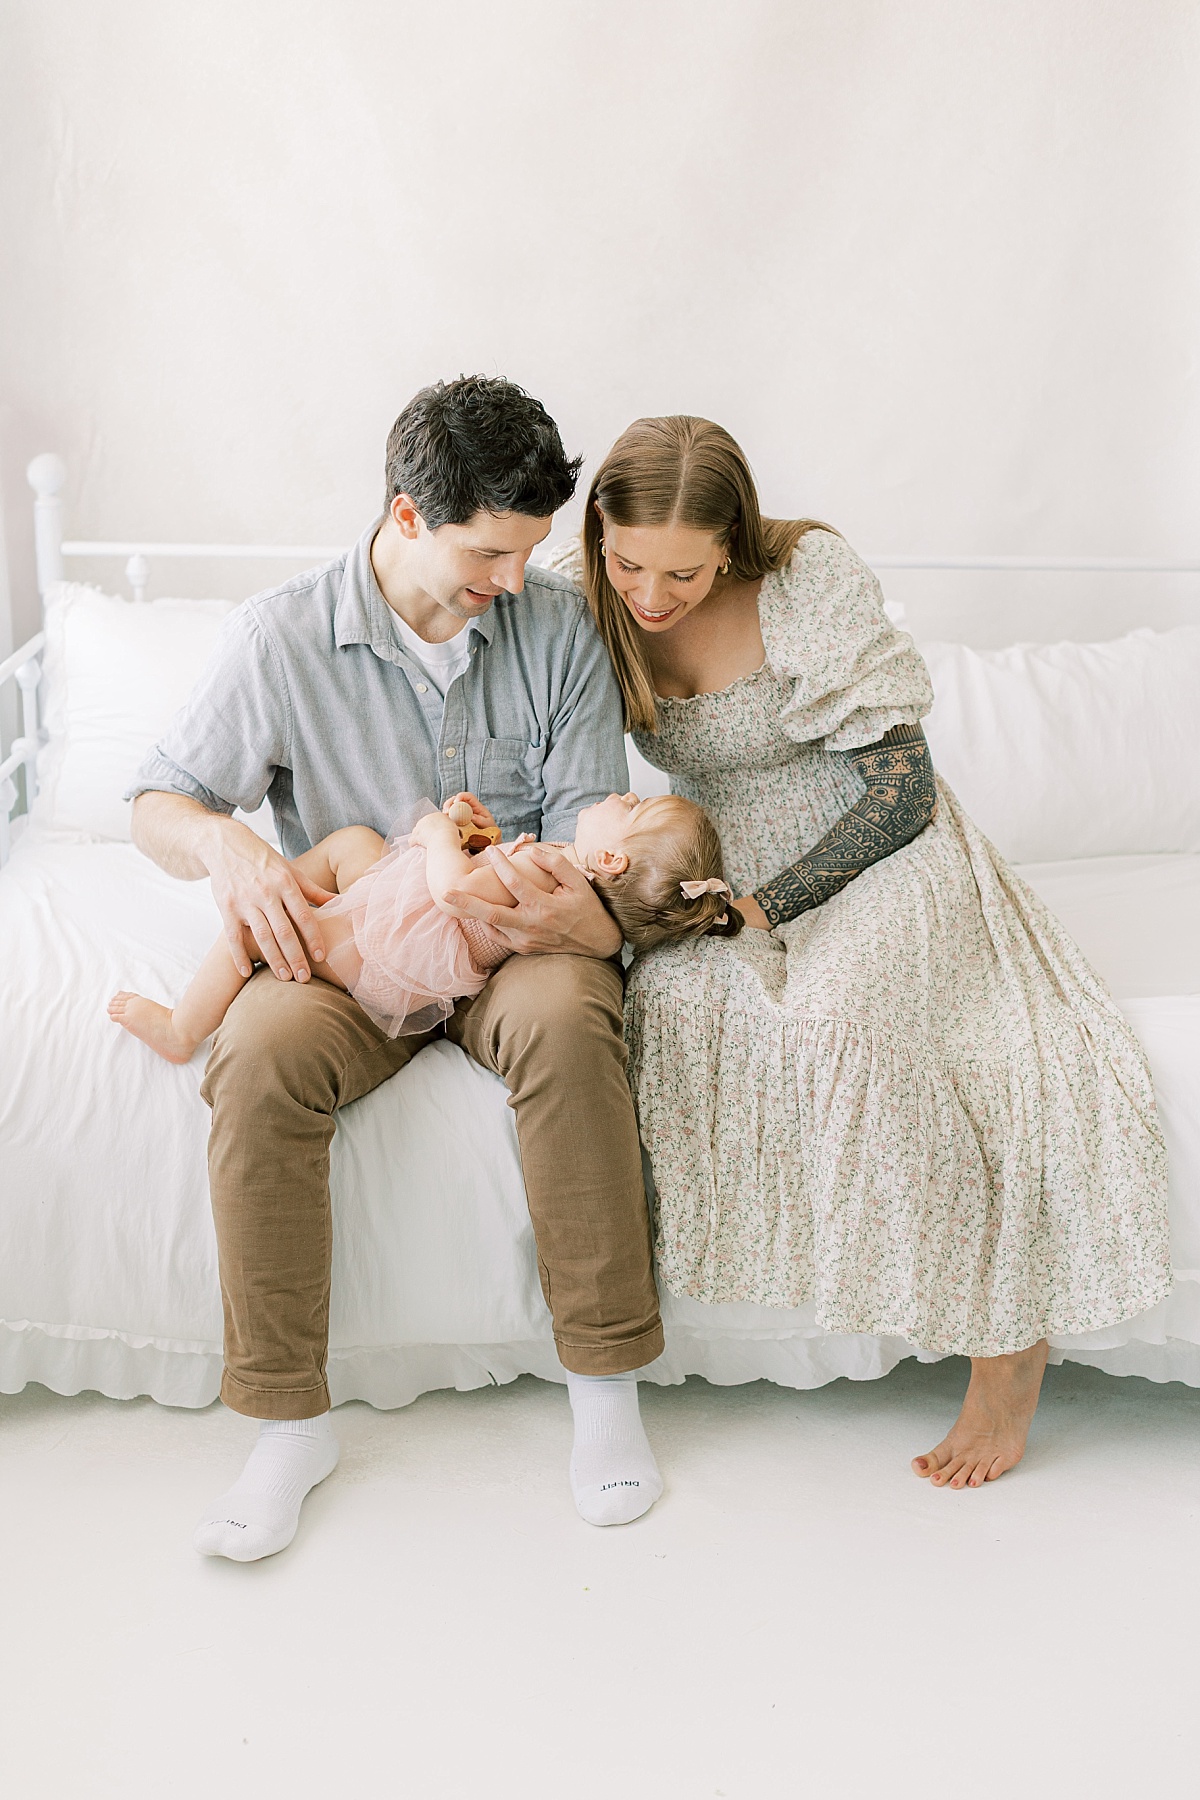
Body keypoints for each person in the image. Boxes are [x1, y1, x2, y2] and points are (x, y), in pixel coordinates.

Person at [517, 413, 1172, 1492]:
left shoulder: (807, 576)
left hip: (865, 846)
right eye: (629, 561)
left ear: (733, 541)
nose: (651, 594)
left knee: (845, 1026)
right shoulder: (580, 596)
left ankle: (1005, 1346)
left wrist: (770, 908)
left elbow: (904, 791)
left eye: (683, 571)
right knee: (678, 1015)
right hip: (716, 856)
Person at [127, 377, 671, 1561]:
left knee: (574, 1028)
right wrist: (224, 842)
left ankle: (605, 1389)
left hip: (509, 940)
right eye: (492, 553)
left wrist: (558, 895)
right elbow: (156, 803)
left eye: (529, 552)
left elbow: (589, 827)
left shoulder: (560, 629)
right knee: (258, 1057)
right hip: (360, 944)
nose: (515, 581)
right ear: (408, 515)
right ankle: (286, 1425)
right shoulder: (282, 638)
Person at [109, 787, 740, 1059]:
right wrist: (479, 836)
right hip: (411, 922)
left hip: (399, 947)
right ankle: (307, 900)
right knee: (352, 843)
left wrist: (440, 833)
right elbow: (485, 876)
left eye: (635, 805)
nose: (624, 795)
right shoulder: (561, 875)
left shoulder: (548, 869)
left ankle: (180, 1027)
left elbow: (457, 892)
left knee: (249, 927)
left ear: (611, 858)